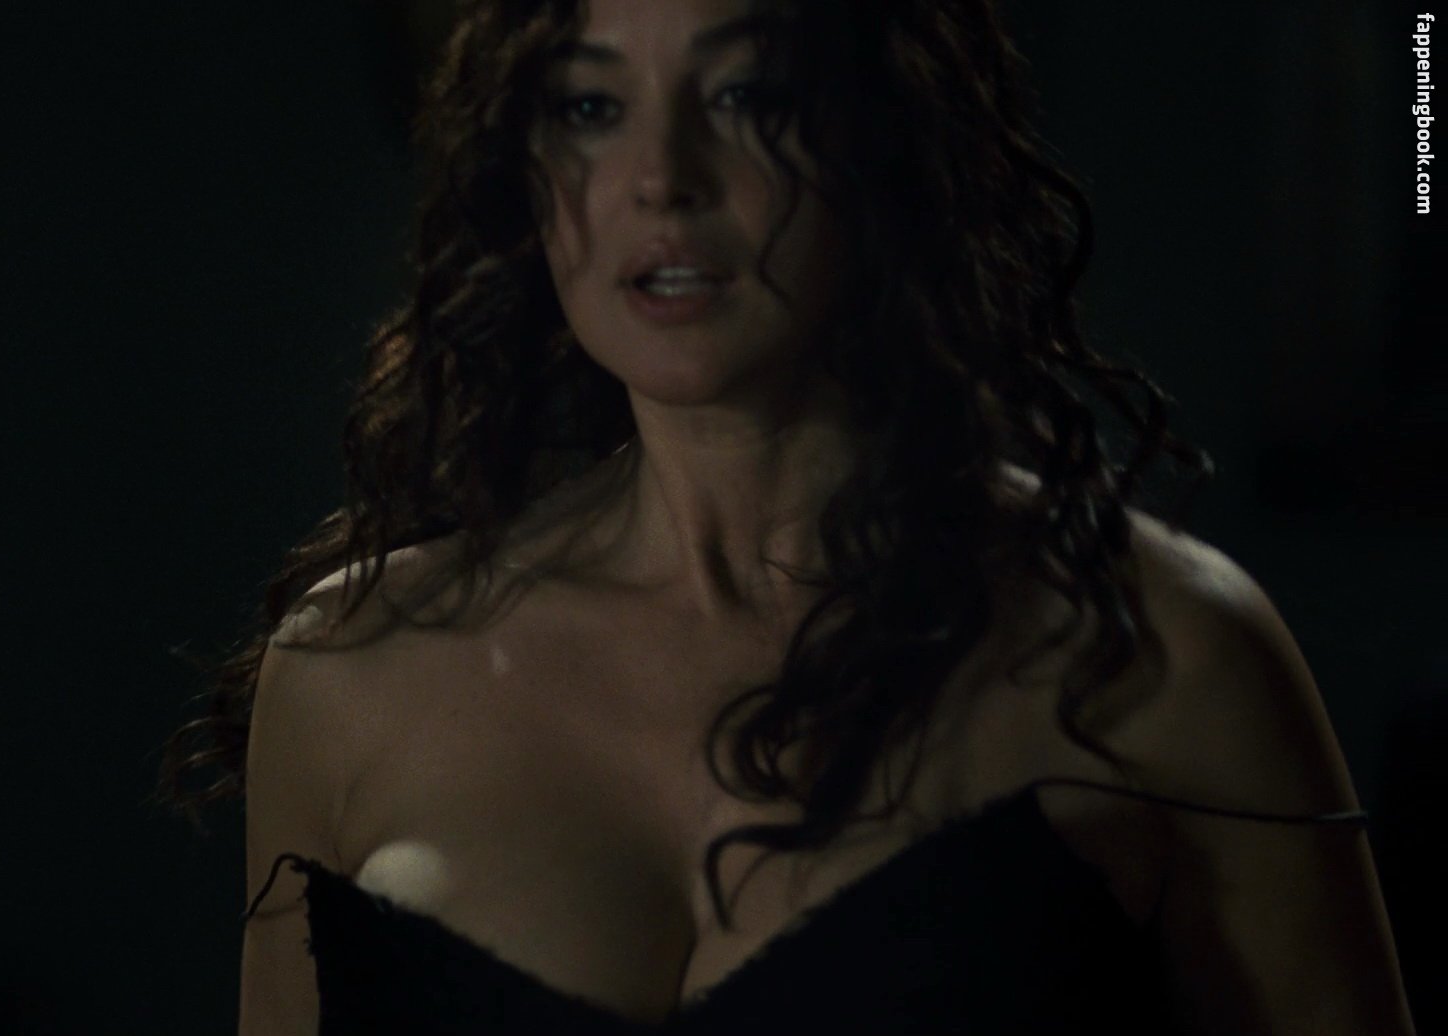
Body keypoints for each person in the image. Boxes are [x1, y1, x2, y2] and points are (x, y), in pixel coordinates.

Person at [163, 0, 1418, 1032]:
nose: (663, 180)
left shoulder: (1160, 650)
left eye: (747, 94)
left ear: (885, 130)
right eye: (590, 106)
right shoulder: (350, 671)